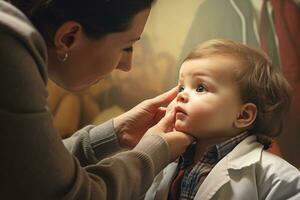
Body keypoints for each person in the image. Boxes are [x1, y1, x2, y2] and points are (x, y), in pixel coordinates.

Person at [0, 0, 194, 199]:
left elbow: (35, 165)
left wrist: (116, 133)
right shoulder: (8, 63)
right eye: (127, 47)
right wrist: (156, 151)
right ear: (68, 38)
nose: (127, 66)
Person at [144, 39, 300, 200]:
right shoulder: (165, 162)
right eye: (182, 87)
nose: (181, 95)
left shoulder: (276, 178)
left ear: (243, 115)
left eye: (200, 88)